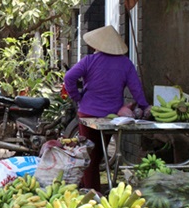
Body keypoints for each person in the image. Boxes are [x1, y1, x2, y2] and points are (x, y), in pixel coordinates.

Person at [64, 25, 150, 194]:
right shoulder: (126, 64)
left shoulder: (89, 61)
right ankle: (89, 189)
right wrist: (145, 106)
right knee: (98, 155)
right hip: (110, 117)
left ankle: (91, 192)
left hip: (88, 114)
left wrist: (77, 96)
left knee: (89, 155)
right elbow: (136, 89)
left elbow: (69, 77)